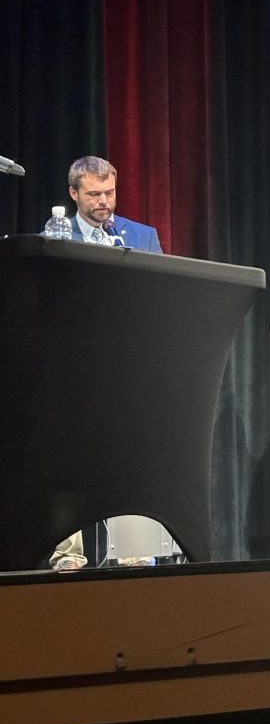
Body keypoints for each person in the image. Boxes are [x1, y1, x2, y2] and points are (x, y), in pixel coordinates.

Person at [50, 156, 164, 571]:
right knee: (70, 460)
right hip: (71, 368)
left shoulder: (142, 235)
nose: (104, 202)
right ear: (73, 194)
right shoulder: (55, 236)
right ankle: (68, 555)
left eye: (110, 193)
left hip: (128, 370)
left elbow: (159, 298)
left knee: (129, 460)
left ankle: (134, 552)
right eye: (94, 194)